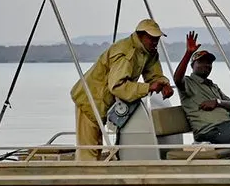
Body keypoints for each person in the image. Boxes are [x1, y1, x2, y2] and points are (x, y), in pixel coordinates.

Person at [70, 18, 173, 161]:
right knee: (89, 151)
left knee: (96, 147)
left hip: (105, 103)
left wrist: (164, 84)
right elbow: (117, 87)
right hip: (90, 100)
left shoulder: (148, 51)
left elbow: (154, 74)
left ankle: (96, 176)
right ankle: (85, 180)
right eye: (152, 38)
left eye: (157, 39)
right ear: (141, 36)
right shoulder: (126, 54)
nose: (155, 42)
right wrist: (148, 87)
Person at [172, 31, 230, 158]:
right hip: (211, 130)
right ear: (193, 65)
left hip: (229, 125)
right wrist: (188, 53)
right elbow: (177, 78)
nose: (206, 65)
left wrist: (217, 102)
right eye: (202, 62)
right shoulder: (188, 83)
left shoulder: (213, 86)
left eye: (209, 63)